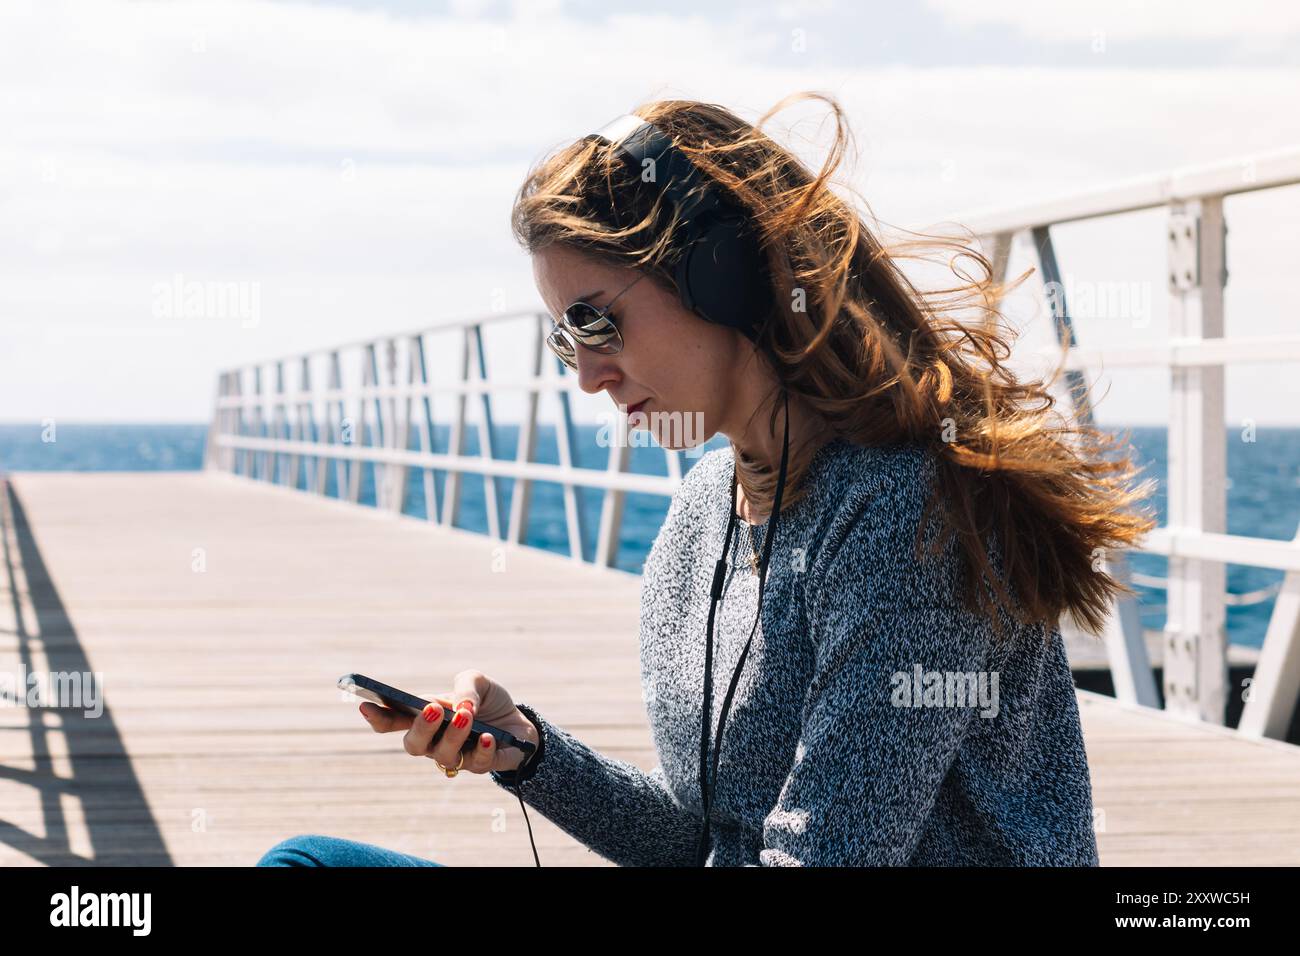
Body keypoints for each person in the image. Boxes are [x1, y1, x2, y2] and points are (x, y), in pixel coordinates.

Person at [257, 91, 1154, 868]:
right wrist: (528, 753)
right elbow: (707, 842)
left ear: (727, 277)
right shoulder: (701, 512)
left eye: (596, 321)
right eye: (561, 338)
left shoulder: (906, 516)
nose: (585, 374)